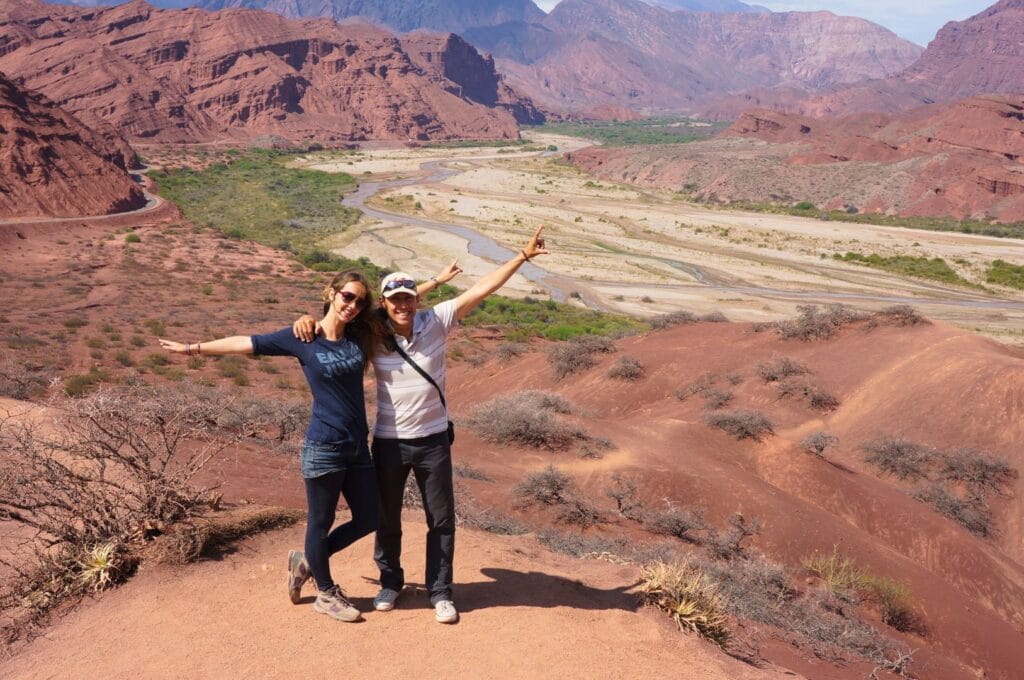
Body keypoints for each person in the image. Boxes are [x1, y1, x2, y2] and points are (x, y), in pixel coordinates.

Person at [294, 226, 549, 624]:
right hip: (389, 443)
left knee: (441, 520)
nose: (403, 306)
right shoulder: (371, 332)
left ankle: (441, 591)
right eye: (395, 300)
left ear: (416, 300)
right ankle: (390, 583)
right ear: (385, 304)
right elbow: (336, 319)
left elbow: (481, 291)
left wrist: (522, 256)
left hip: (433, 441)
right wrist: (305, 319)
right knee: (386, 518)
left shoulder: (437, 321)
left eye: (409, 299)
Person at [159, 270, 384, 623]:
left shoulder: (359, 334)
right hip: (324, 445)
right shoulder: (302, 338)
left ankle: (307, 560)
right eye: (347, 297)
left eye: (359, 301)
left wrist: (435, 282)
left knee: (371, 516)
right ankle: (325, 592)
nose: (353, 305)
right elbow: (249, 343)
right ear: (331, 292)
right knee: (320, 521)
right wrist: (193, 348)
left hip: (357, 447)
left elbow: (397, 305)